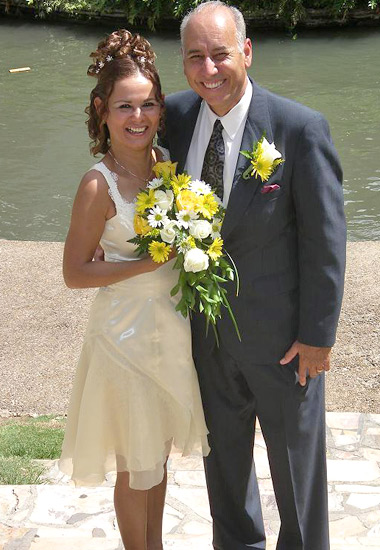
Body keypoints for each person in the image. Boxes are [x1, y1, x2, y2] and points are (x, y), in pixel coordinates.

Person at [158, 2, 346, 549]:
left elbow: (325, 241)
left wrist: (317, 337)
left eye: (220, 54)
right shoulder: (173, 117)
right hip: (206, 339)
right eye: (195, 57)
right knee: (225, 473)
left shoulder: (299, 129)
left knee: (297, 482)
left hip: (285, 345)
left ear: (246, 51)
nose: (208, 70)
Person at [58, 29, 209, 550]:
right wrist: (143, 263)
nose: (137, 118)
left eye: (147, 105)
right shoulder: (96, 184)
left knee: (158, 458)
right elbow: (75, 272)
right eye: (125, 106)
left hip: (169, 332)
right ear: (102, 111)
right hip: (122, 338)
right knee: (133, 464)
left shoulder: (166, 163)